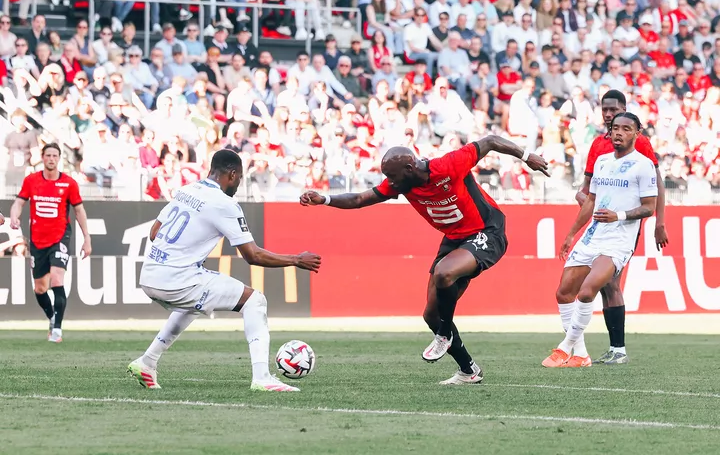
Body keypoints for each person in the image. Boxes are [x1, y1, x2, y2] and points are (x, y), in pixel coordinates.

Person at [300, 137, 549, 384]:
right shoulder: (400, 184)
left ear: (409, 168)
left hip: (487, 230)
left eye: (392, 176)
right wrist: (325, 200)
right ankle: (468, 370)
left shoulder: (448, 165)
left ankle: (444, 333)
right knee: (431, 314)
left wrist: (527, 157)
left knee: (444, 273)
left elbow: (491, 141)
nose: (390, 182)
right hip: (454, 238)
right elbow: (359, 200)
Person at [128, 150, 322, 391]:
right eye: (239, 178)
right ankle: (262, 377)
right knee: (255, 301)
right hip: (177, 279)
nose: (238, 184)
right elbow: (253, 255)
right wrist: (296, 259)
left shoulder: (186, 190)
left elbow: (154, 233)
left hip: (149, 275)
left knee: (193, 303)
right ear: (231, 174)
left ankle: (147, 362)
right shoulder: (224, 203)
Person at [544, 112, 658, 368]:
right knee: (564, 293)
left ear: (637, 133)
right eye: (615, 128)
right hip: (593, 235)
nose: (619, 133)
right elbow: (591, 201)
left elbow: (649, 207)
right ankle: (581, 355)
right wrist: (572, 233)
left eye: (626, 129)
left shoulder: (643, 165)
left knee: (587, 291)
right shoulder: (602, 161)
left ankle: (564, 348)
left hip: (619, 239)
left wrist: (618, 215)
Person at [575, 90, 668, 364]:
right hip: (600, 224)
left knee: (610, 281)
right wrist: (582, 198)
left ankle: (618, 349)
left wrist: (660, 222)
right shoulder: (597, 145)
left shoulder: (640, 143)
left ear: (625, 109)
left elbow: (657, 183)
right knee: (605, 285)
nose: (607, 114)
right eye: (604, 110)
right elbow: (586, 188)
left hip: (626, 224)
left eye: (613, 110)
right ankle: (615, 348)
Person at [9, 143, 92, 343]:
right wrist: (14, 216)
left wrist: (87, 238)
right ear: (43, 157)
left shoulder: (69, 184)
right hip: (38, 240)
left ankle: (57, 330)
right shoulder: (31, 180)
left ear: (59, 158)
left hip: (60, 237)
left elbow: (79, 210)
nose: (51, 159)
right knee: (40, 288)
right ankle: (52, 317)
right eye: (48, 155)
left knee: (56, 279)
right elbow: (19, 202)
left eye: (55, 155)